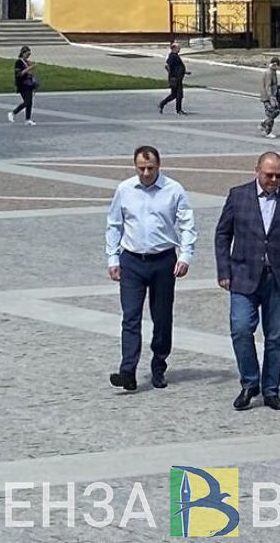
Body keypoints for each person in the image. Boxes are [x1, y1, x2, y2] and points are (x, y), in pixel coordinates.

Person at [214, 151, 280, 411]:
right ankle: (250, 382)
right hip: (243, 275)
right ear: (256, 171)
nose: (273, 180)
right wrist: (224, 271)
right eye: (269, 175)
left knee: (276, 336)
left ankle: (271, 389)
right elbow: (223, 234)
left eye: (278, 176)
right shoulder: (238, 196)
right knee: (240, 328)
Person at [105, 145, 196, 391]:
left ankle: (159, 365)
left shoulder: (173, 189)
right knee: (130, 317)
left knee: (162, 317)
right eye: (141, 168)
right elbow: (114, 224)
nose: (146, 173)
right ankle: (128, 370)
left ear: (159, 166)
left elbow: (187, 224)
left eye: (150, 168)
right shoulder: (125, 189)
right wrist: (113, 258)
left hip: (163, 260)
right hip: (132, 260)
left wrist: (185, 255)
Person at [7, 45, 38, 126]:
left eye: (29, 54)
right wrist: (29, 68)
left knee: (29, 102)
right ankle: (13, 113)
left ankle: (28, 119)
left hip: (29, 84)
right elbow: (19, 74)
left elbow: (30, 74)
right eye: (27, 54)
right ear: (23, 53)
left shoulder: (27, 62)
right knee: (27, 102)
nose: (28, 56)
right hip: (22, 84)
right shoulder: (19, 62)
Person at [158, 42, 187, 115]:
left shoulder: (175, 55)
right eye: (178, 48)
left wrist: (184, 72)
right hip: (175, 79)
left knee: (174, 94)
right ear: (174, 48)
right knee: (179, 95)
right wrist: (172, 74)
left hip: (177, 78)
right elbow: (167, 65)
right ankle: (179, 110)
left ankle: (162, 103)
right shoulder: (172, 56)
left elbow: (177, 66)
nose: (179, 49)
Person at [259, 57, 280, 139]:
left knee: (275, 112)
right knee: (272, 113)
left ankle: (264, 124)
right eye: (277, 66)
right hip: (268, 97)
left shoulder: (272, 71)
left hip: (270, 96)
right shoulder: (269, 73)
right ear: (274, 64)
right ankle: (267, 131)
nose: (277, 68)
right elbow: (268, 87)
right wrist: (272, 99)